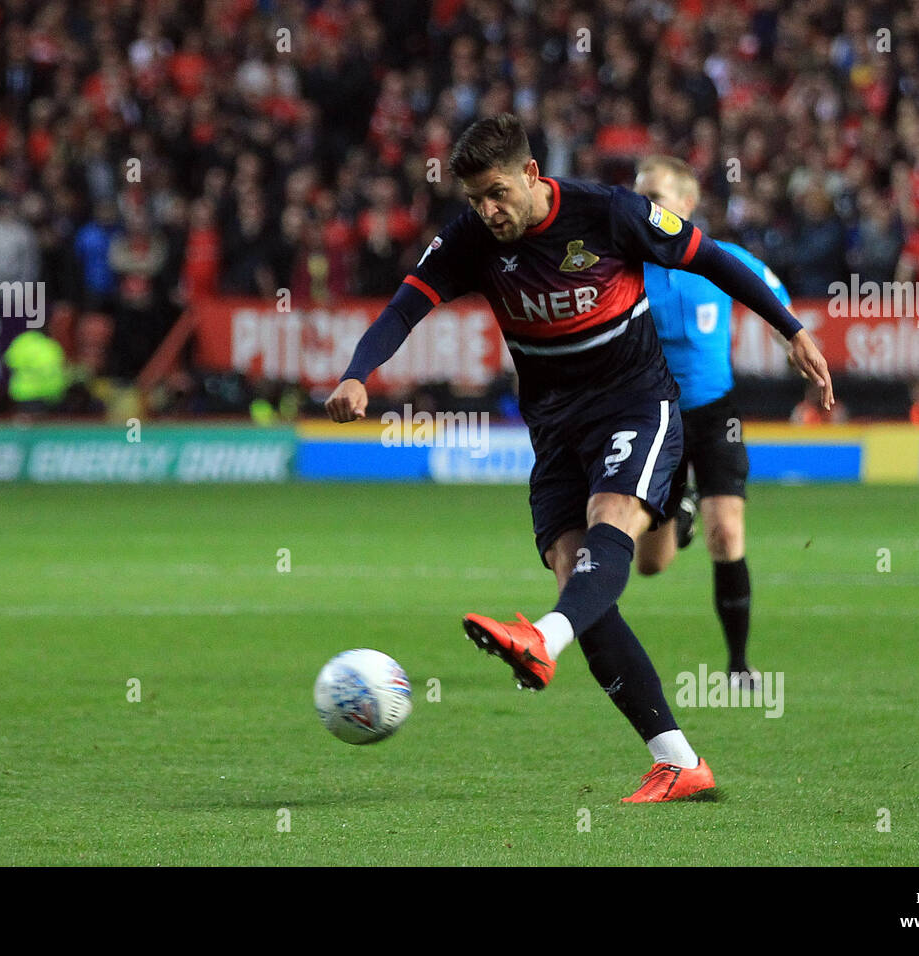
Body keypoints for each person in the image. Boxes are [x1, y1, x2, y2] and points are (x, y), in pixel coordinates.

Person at [325, 115, 834, 803]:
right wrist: (359, 372)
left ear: (533, 175)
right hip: (556, 430)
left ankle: (543, 637)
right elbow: (403, 310)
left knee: (611, 522)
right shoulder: (471, 239)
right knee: (577, 574)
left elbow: (712, 257)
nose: (488, 210)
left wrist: (792, 331)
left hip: (636, 405)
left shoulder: (610, 212)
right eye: (476, 199)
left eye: (498, 193)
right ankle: (679, 760)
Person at [630, 155, 790, 689]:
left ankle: (739, 666)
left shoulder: (722, 260)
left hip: (715, 413)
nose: (641, 207)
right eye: (638, 196)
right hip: (654, 419)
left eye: (653, 196)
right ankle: (681, 513)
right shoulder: (623, 268)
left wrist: (792, 342)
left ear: (687, 204)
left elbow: (775, 301)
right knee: (651, 565)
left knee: (729, 531)